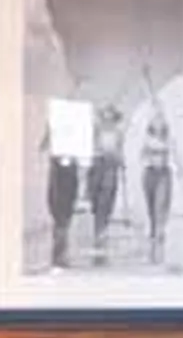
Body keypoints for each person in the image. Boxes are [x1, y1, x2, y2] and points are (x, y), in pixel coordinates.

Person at [85, 106, 127, 268]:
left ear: (114, 119)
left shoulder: (118, 133)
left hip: (111, 166)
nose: (108, 120)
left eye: (111, 117)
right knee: (95, 199)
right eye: (105, 117)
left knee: (107, 198)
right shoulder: (95, 131)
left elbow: (119, 150)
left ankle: (101, 230)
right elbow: (90, 147)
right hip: (97, 165)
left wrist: (122, 162)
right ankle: (99, 226)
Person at [138, 108, 177, 272]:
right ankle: (154, 229)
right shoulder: (147, 139)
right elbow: (141, 156)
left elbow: (176, 154)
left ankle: (160, 231)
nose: (159, 124)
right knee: (150, 205)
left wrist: (180, 168)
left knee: (161, 204)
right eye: (156, 121)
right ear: (152, 125)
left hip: (164, 173)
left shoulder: (169, 140)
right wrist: (147, 155)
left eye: (161, 121)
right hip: (149, 173)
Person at [42, 123, 80, 271]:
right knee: (61, 220)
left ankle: (60, 255)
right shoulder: (58, 159)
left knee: (63, 220)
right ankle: (59, 255)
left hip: (65, 188)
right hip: (59, 190)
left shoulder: (69, 156)